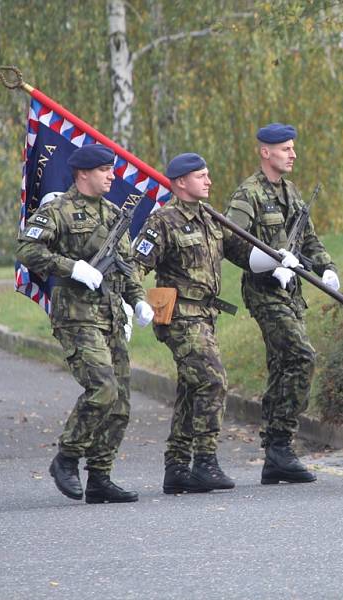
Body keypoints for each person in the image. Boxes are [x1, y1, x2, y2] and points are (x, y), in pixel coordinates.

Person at [16, 144, 154, 504]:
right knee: (103, 387)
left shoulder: (113, 213)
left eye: (112, 170)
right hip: (76, 314)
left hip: (110, 313)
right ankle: (66, 456)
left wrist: (138, 299)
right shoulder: (57, 210)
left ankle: (100, 477)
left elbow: (125, 265)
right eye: (105, 170)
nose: (112, 176)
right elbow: (27, 250)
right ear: (83, 174)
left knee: (121, 401)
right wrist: (71, 267)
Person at [132, 153, 255, 494]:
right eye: (202, 176)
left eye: (208, 174)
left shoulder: (210, 219)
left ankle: (177, 466)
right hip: (177, 315)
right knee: (212, 380)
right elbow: (135, 264)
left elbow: (242, 252)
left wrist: (276, 262)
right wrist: (135, 301)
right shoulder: (162, 222)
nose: (209, 181)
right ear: (181, 182)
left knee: (192, 386)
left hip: (205, 315)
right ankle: (205, 462)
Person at [224, 123, 339, 485]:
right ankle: (281, 447)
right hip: (264, 290)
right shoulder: (249, 193)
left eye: (292, 148)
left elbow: (309, 239)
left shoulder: (292, 192)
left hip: (291, 292)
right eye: (285, 149)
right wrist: (266, 260)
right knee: (301, 356)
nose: (292, 154)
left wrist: (328, 268)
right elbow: (230, 241)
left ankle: (276, 451)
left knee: (281, 365)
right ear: (265, 152)